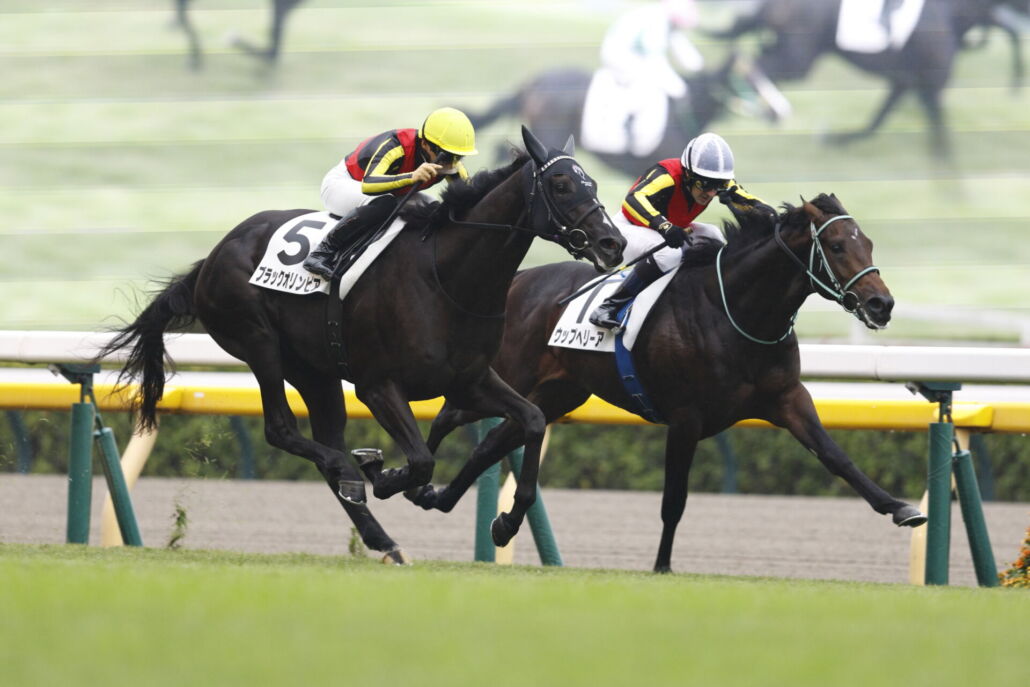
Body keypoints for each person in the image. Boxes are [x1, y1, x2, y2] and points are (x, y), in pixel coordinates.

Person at [589, 131, 762, 330]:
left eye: (718, 186)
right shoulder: (667, 175)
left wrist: (747, 207)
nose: (711, 193)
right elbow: (632, 199)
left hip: (666, 231)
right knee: (669, 254)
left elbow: (754, 204)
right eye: (705, 184)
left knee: (715, 237)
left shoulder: (717, 183)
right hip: (627, 228)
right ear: (688, 174)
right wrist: (664, 226)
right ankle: (610, 306)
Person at [303, 106, 478, 278]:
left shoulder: (450, 163)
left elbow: (471, 199)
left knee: (433, 208)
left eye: (458, 156)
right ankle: (322, 252)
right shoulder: (397, 145)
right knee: (384, 203)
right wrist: (411, 177)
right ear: (425, 144)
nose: (451, 163)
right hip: (344, 184)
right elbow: (369, 184)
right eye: (446, 155)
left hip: (391, 193)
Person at [599, 0, 704, 101]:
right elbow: (655, 63)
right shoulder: (656, 21)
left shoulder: (666, 19)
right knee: (655, 92)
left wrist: (699, 68)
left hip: (631, 60)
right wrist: (678, 88)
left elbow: (686, 53)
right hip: (620, 60)